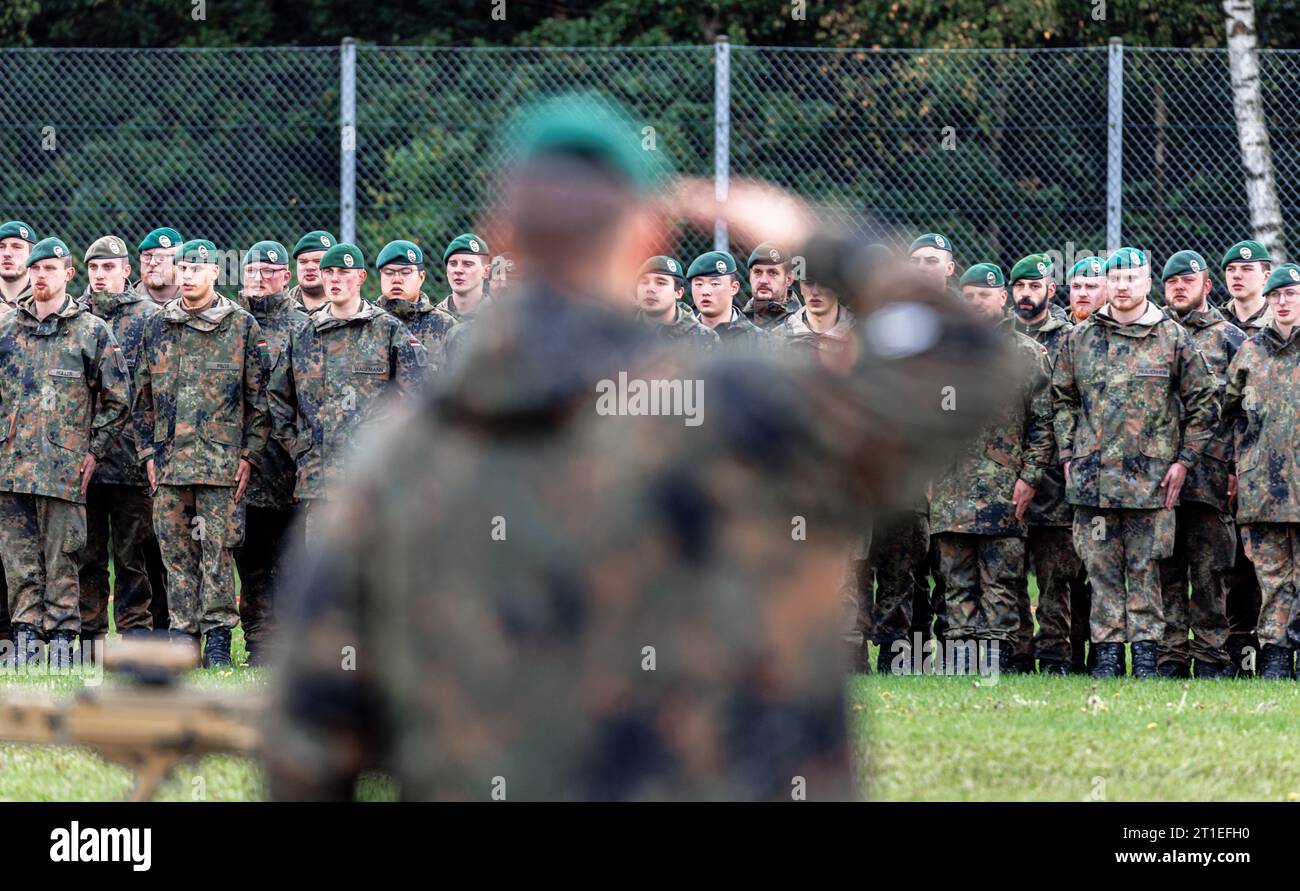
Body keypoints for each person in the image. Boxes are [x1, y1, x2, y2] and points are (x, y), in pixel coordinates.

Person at [264, 94, 1015, 800]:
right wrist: (814, 238)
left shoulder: (398, 458)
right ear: (651, 236)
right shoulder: (746, 407)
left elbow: (307, 745)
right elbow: (971, 359)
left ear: (501, 239)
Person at [1052, 247, 1218, 679]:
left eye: (1133, 277)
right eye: (1116, 278)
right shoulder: (1080, 338)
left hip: (1153, 482)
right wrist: (1069, 452)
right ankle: (1106, 655)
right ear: (1106, 283)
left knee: (1147, 570)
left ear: (1147, 283)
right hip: (1094, 483)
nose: (1123, 286)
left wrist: (1184, 461)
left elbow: (1205, 402)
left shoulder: (1172, 337)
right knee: (1101, 569)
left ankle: (1146, 655)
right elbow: (1063, 398)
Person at [132, 239, 271, 668]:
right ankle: (182, 636)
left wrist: (249, 455)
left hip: (222, 466)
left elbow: (260, 401)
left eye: (197, 268)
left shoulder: (241, 326)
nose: (188, 275)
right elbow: (141, 398)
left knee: (217, 553)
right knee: (176, 555)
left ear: (215, 273)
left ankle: (215, 639)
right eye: (183, 268)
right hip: (171, 466)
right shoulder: (157, 325)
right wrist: (148, 455)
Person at [0, 236, 130, 668]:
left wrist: (93, 451)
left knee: (63, 561)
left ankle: (60, 641)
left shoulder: (90, 331)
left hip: (63, 471)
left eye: (49, 269)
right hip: (11, 470)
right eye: (34, 269)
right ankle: (23, 641)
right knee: (19, 562)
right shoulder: (8, 331)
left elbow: (117, 399)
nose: (40, 276)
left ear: (67, 275)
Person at [930, 257, 1053, 673]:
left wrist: (1030, 478)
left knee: (1002, 583)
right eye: (969, 297)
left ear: (1003, 298)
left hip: (1005, 491)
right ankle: (963, 661)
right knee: (956, 581)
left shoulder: (1027, 353)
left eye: (985, 296)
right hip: (950, 489)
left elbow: (1044, 424)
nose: (977, 303)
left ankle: (998, 662)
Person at [267, 243, 427, 542]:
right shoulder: (302, 334)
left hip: (373, 482)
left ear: (361, 278)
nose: (335, 279)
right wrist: (300, 446)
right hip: (319, 484)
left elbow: (415, 399)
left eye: (343, 272)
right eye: (328, 272)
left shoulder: (388, 331)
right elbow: (277, 398)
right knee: (325, 576)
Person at [1156, 250, 1244, 678]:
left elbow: (1245, 409)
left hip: (1211, 476)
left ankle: (1210, 656)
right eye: (1172, 282)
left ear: (1207, 286)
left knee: (1211, 571)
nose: (1178, 287)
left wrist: (1235, 467)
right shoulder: (1153, 335)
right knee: (1165, 569)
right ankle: (1170, 655)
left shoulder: (1230, 338)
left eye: (1187, 281)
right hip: (1158, 477)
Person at [76, 235, 164, 641]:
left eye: (108, 268)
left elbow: (158, 390)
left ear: (126, 271)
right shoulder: (73, 317)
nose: (100, 276)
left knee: (134, 557)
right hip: (82, 462)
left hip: (132, 459)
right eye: (94, 268)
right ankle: (90, 637)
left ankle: (137, 638)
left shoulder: (149, 317)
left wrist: (152, 451)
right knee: (87, 555)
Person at [234, 241, 311, 666]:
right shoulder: (231, 323)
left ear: (286, 276)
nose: (260, 278)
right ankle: (260, 645)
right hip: (244, 467)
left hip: (292, 466)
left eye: (269, 271)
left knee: (292, 560)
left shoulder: (305, 326)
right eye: (251, 271)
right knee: (252, 562)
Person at [1006, 255, 1083, 674]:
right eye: (1019, 286)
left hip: (1055, 478)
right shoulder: (1000, 340)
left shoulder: (1069, 338)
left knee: (1057, 575)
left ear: (1051, 290)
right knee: (1010, 571)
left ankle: (1055, 654)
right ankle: (1017, 652)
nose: (1026, 293)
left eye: (1034, 286)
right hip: (1004, 475)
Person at [1225, 263, 1300, 679]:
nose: (1284, 302)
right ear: (1268, 301)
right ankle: (1274, 654)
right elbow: (1228, 412)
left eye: (1291, 294)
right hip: (1263, 489)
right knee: (1271, 579)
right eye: (1277, 296)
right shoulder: (1250, 352)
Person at [1219, 239, 1271, 675]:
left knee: (1271, 563)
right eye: (1232, 270)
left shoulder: (1282, 323)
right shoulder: (1213, 326)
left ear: (1266, 275)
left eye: (1248, 270)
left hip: (1275, 466)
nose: (1238, 276)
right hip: (1224, 465)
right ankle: (1239, 653)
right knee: (1232, 563)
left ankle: (1275, 649)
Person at [376, 239, 457, 373]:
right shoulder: (366, 322)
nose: (396, 279)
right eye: (389, 272)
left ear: (421, 277)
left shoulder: (445, 326)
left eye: (406, 272)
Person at [633, 255, 718, 348]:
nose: (650, 289)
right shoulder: (619, 332)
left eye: (661, 283)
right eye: (644, 282)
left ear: (678, 292)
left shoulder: (704, 338)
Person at [689, 250, 769, 346]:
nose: (705, 292)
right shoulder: (678, 337)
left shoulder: (760, 341)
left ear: (734, 288)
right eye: (699, 284)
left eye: (714, 284)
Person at [743, 242, 802, 329]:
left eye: (772, 273)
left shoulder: (805, 324)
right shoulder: (737, 323)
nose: (763, 280)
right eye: (757, 272)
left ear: (788, 279)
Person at [288, 231, 337, 313]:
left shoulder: (353, 312)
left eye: (318, 261)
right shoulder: (279, 310)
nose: (309, 267)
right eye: (303, 261)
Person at [135, 228, 183, 309]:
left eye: (162, 257)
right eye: (147, 256)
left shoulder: (198, 302)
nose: (152, 263)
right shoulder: (124, 302)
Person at [0, 220, 37, 307]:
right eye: (1, 247)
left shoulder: (47, 302)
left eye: (17, 247)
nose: (7, 253)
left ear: (32, 255)